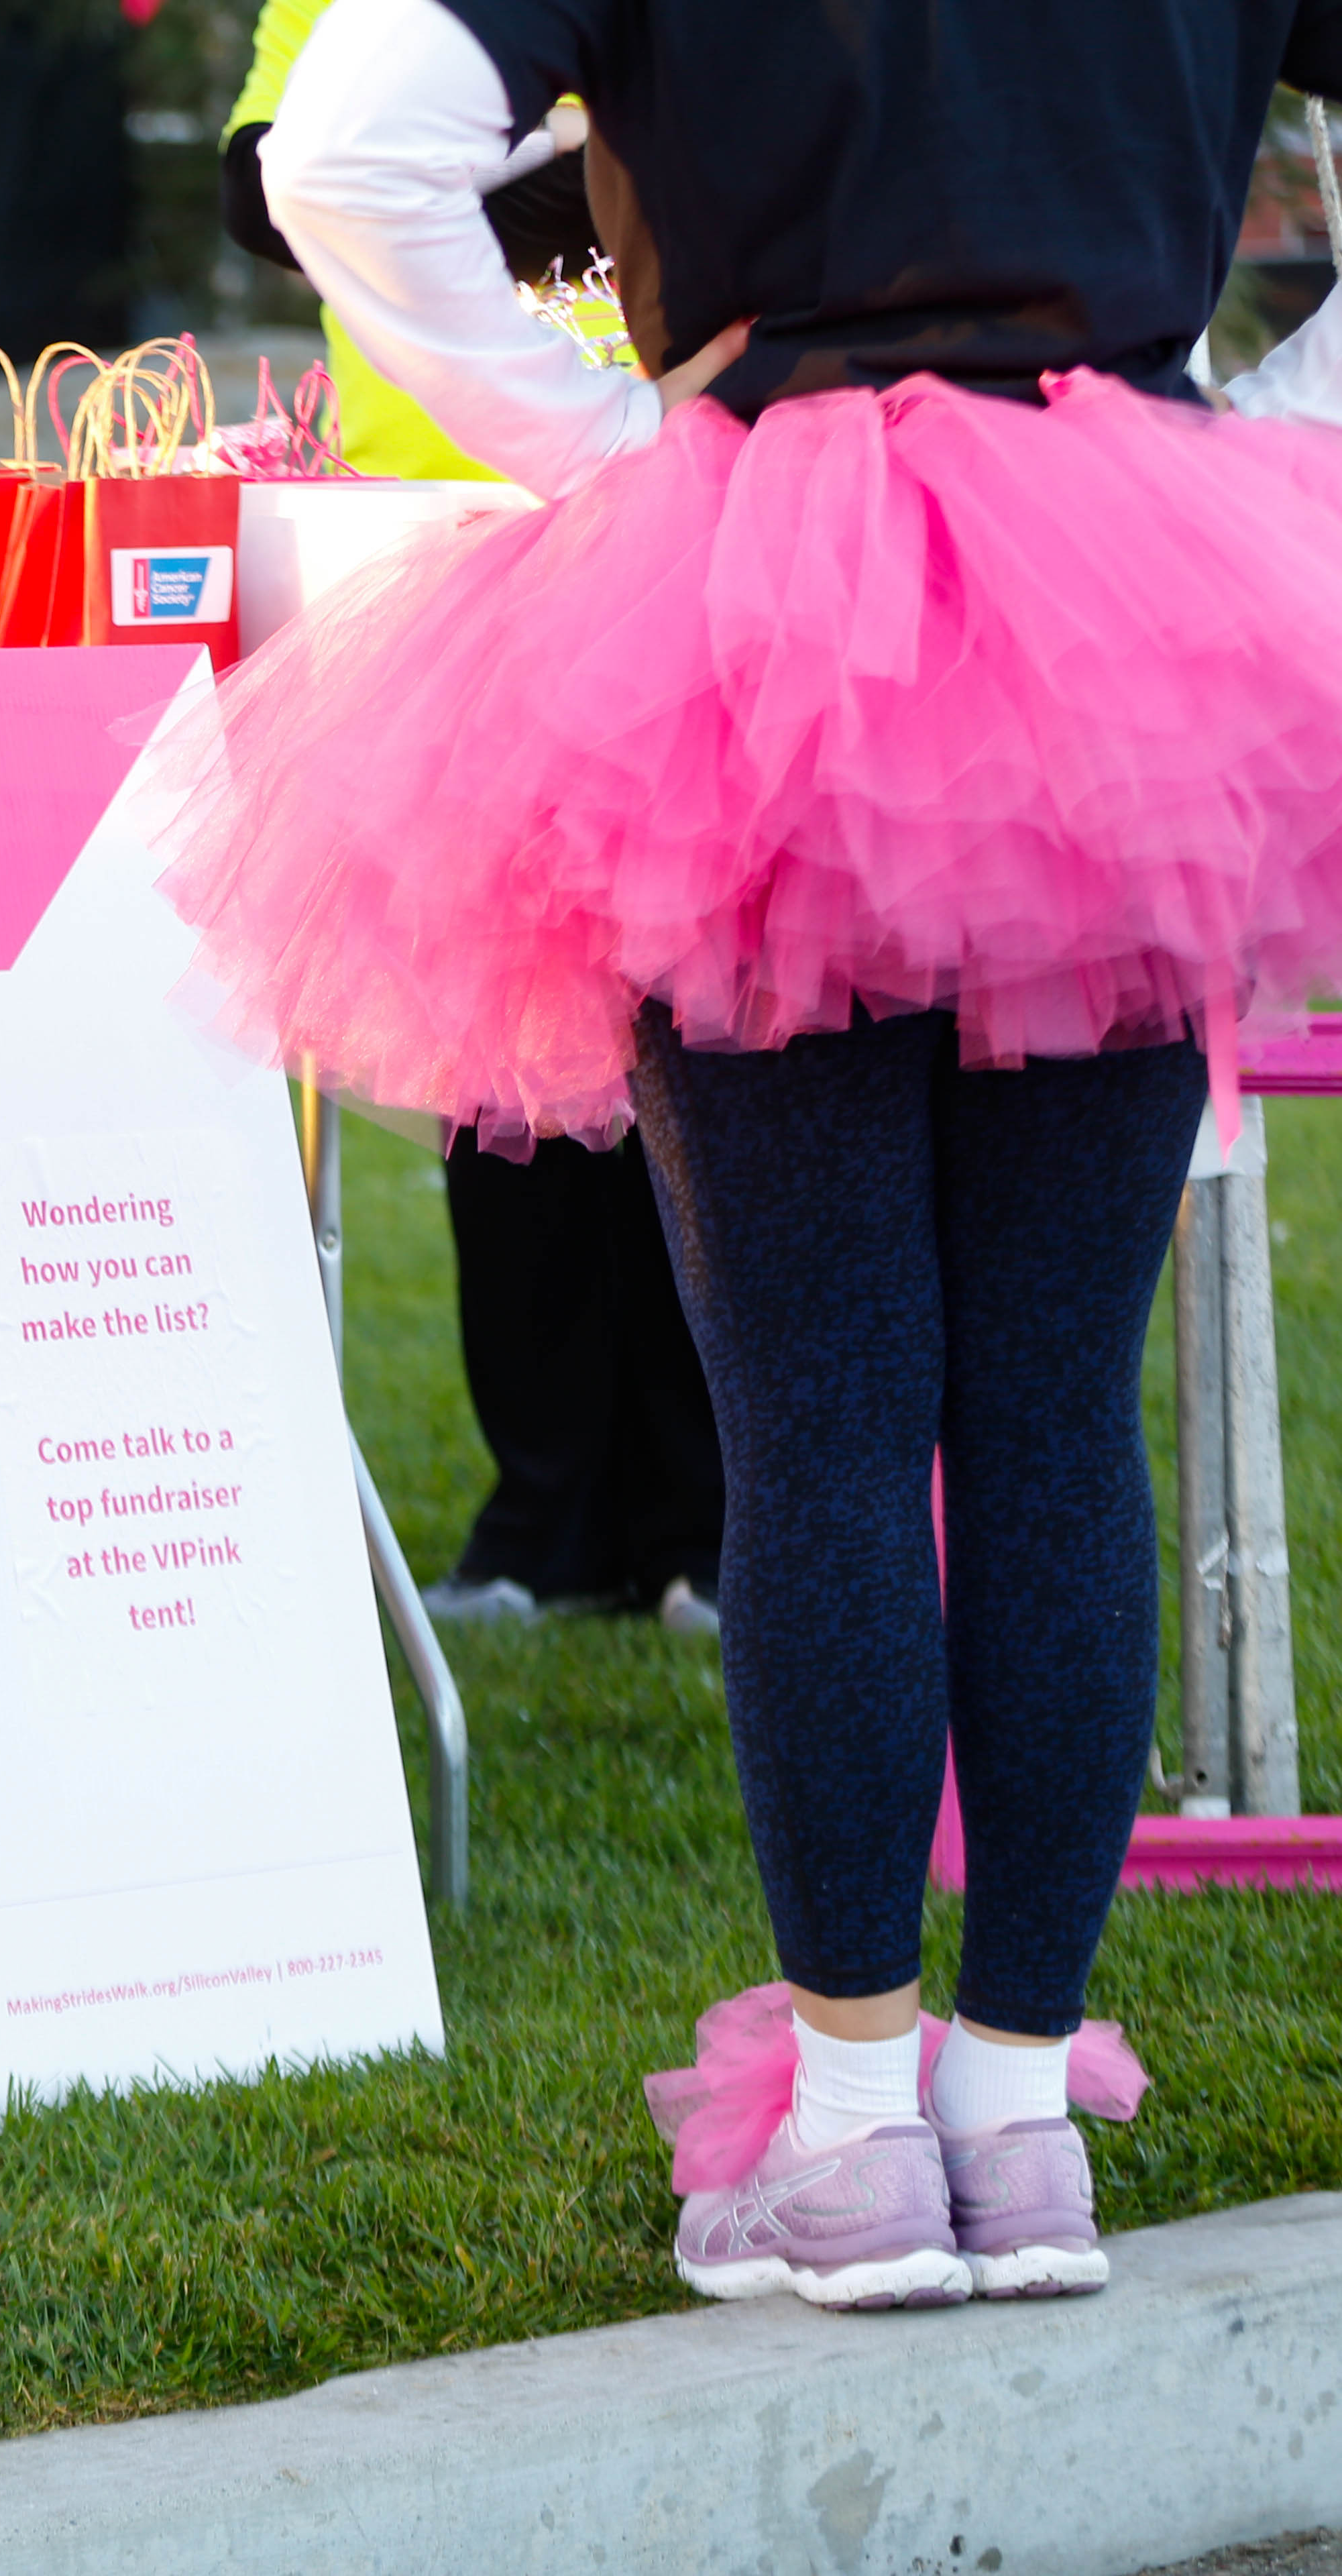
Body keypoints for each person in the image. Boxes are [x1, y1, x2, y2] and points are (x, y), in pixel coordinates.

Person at [162, 0, 1342, 2309]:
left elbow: (346, 147)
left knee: (820, 1423)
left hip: (749, 599)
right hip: (1134, 599)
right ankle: (1018, 2130)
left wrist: (606, 443)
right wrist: (1274, 429)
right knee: (1053, 1415)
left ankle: (861, 2139)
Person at [222, 0, 726, 1638]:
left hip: (679, 527)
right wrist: (566, 157)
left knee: (695, 1031)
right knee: (498, 1053)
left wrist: (487, 169)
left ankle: (709, 1517)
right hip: (446, 555)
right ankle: (545, 1516)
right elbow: (267, 183)